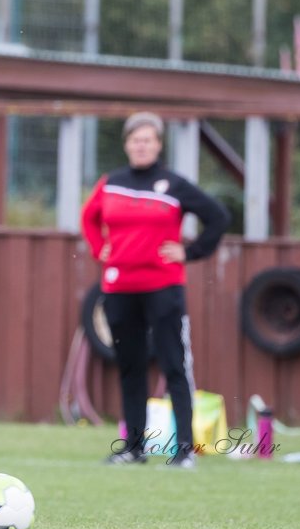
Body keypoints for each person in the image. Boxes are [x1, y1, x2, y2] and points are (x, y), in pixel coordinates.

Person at [81, 112, 229, 468]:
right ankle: (134, 447)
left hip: (163, 288)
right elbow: (89, 217)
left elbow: (218, 217)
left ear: (158, 144)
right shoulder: (111, 182)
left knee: (173, 365)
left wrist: (190, 252)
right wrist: (97, 248)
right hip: (119, 288)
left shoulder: (174, 184)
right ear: (127, 144)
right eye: (136, 139)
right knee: (130, 367)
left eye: (148, 139)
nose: (141, 145)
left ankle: (183, 451)